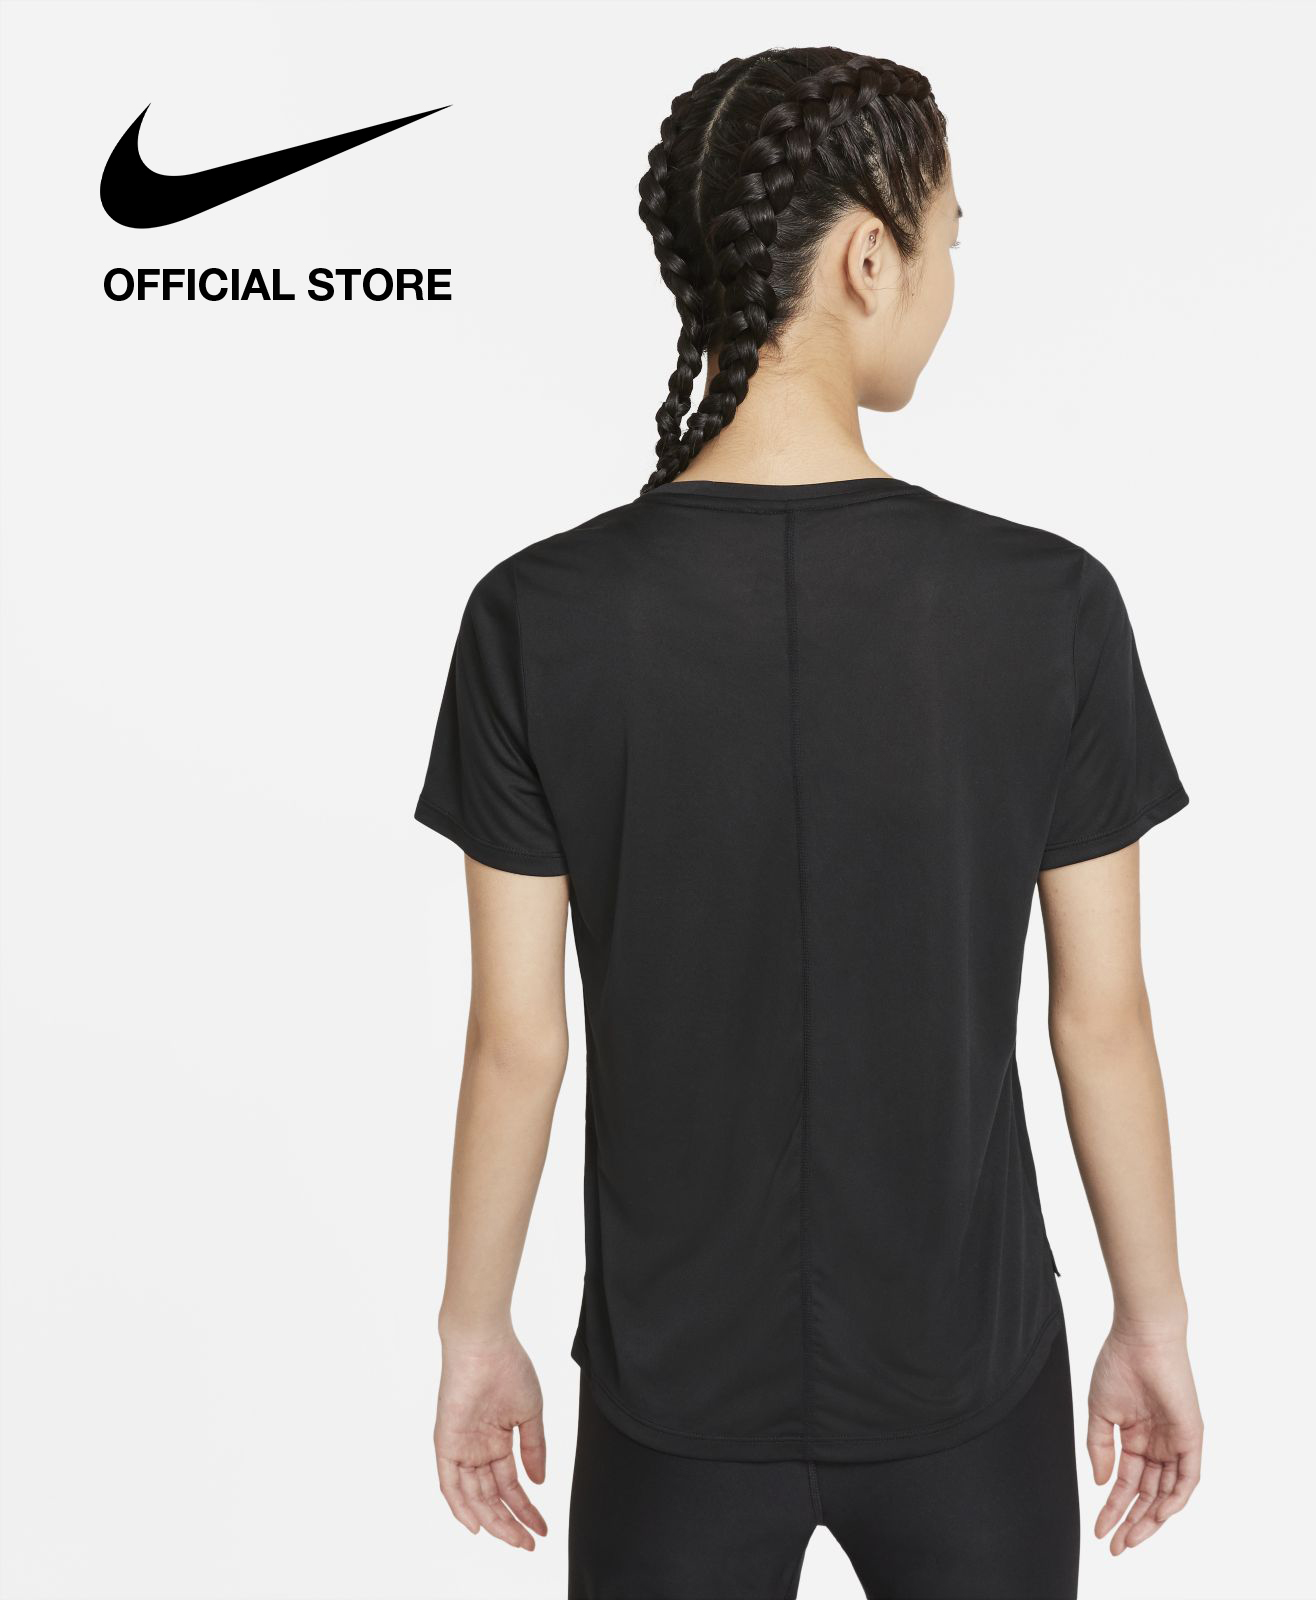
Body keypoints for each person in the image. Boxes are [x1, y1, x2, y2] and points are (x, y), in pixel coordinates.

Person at [416, 47, 1202, 1600]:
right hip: (970, 1372)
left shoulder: (537, 618)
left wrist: (473, 1329)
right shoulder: (1046, 607)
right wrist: (1153, 1320)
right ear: (867, 260)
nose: (951, 278)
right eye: (950, 238)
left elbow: (518, 1039)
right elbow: (1099, 1017)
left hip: (671, 1394)